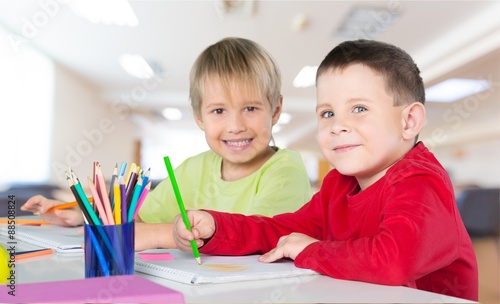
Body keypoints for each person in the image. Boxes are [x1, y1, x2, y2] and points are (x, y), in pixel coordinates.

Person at [172, 39, 478, 301]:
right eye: (327, 113)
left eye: (359, 109)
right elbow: (283, 231)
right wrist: (217, 227)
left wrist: (312, 251)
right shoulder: (338, 184)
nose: (337, 126)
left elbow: (393, 260)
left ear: (408, 122)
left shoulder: (421, 181)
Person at [21, 37, 313, 251]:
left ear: (275, 110)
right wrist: (83, 214)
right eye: (219, 111)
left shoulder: (284, 168)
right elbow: (132, 219)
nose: (235, 126)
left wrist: (159, 236)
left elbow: (258, 238)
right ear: (199, 116)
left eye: (250, 108)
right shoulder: (192, 169)